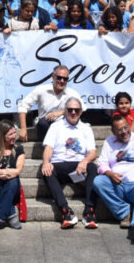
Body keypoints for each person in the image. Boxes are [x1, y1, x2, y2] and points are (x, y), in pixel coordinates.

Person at [41, 98, 98, 229]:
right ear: (65, 111)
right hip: (59, 164)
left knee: (93, 167)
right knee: (46, 170)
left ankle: (90, 211)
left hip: (79, 166)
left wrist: (84, 162)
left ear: (81, 112)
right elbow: (48, 148)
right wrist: (45, 162)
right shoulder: (56, 127)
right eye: (70, 110)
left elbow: (93, 152)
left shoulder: (85, 128)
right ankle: (66, 211)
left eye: (76, 110)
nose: (73, 112)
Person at [17, 64, 85, 140]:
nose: (62, 81)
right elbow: (23, 105)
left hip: (64, 126)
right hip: (45, 126)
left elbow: (82, 108)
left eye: (65, 79)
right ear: (53, 77)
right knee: (43, 123)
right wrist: (23, 128)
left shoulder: (72, 93)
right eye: (59, 78)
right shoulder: (41, 90)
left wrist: (60, 112)